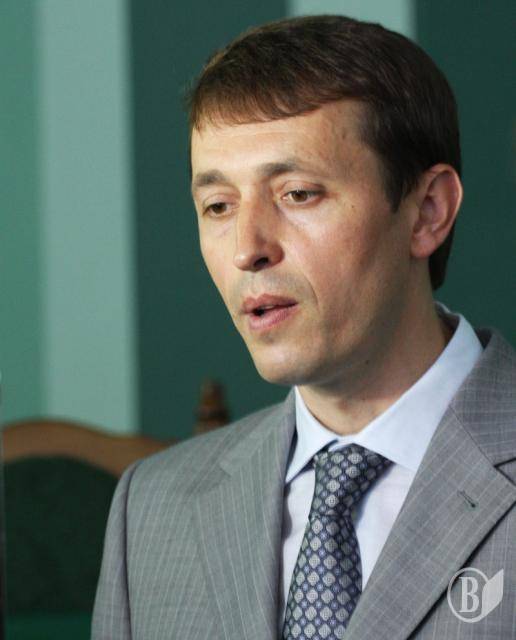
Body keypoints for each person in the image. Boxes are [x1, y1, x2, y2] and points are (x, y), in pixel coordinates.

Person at [91, 15, 516, 640]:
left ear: (427, 212)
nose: (247, 249)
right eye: (218, 206)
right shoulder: (150, 508)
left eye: (297, 194)